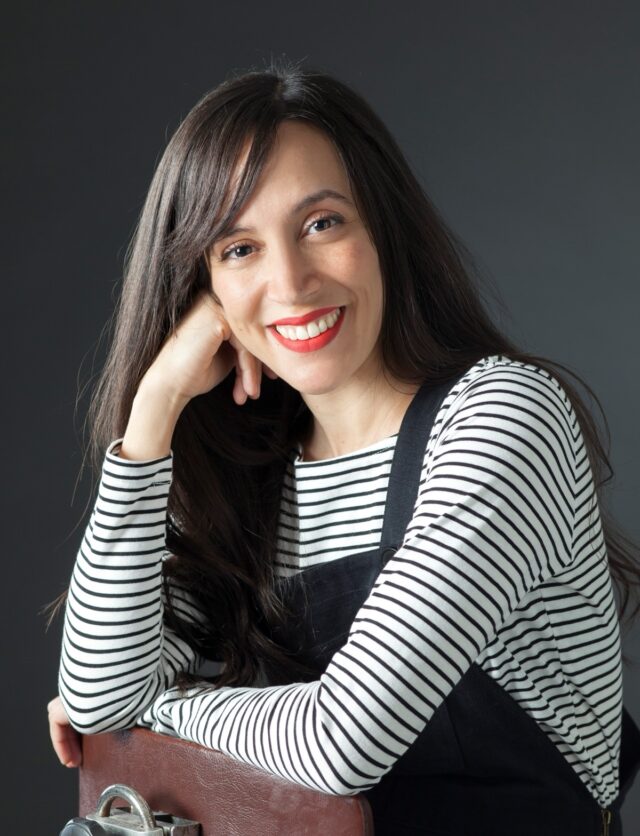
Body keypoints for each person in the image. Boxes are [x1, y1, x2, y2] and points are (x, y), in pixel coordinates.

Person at [48, 62, 640, 835]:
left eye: (321, 223)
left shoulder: (500, 418)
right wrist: (154, 409)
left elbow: (341, 741)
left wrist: (160, 708)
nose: (290, 283)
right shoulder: (254, 480)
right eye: (238, 249)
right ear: (204, 290)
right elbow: (95, 696)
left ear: (382, 227)